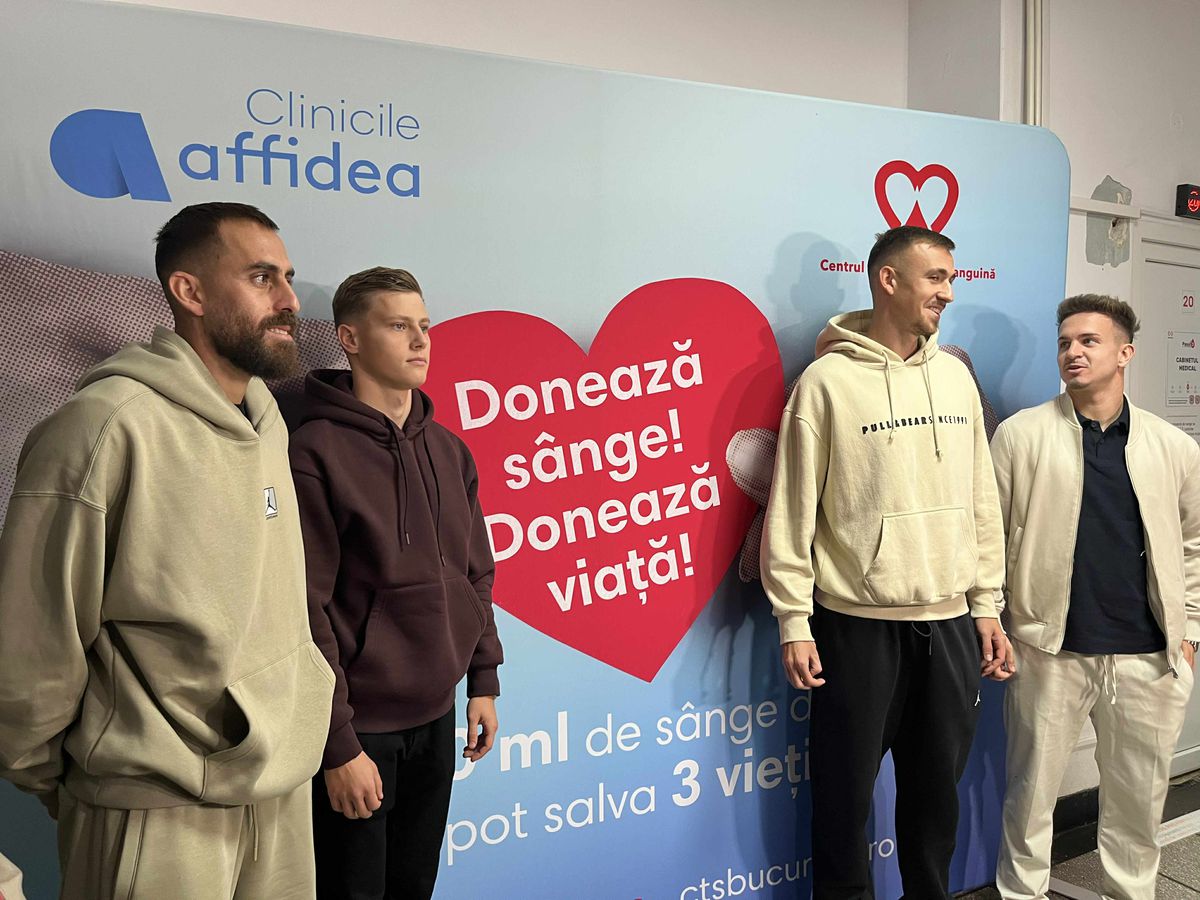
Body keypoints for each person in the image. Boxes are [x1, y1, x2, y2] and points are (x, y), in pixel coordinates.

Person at [0, 202, 334, 898]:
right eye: (262, 277)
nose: (290, 301)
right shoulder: (104, 426)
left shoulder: (269, 423)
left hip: (280, 790)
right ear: (190, 292)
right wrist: (74, 779)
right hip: (154, 807)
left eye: (288, 278)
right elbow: (35, 639)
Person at [761, 225, 1012, 899]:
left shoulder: (955, 378)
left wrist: (986, 605)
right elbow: (792, 510)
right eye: (936, 278)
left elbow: (980, 499)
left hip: (950, 626)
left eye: (950, 278)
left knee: (935, 805)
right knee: (843, 805)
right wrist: (793, 620)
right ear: (888, 280)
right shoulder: (826, 383)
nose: (948, 292)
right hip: (855, 627)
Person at [289, 267, 503, 899]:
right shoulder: (314, 452)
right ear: (350, 339)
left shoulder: (450, 451)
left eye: (425, 326)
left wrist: (483, 680)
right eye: (398, 326)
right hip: (358, 729)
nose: (420, 341)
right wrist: (337, 745)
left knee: (414, 887)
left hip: (437, 716)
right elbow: (303, 609)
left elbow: (476, 571)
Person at [993, 295, 1199, 900]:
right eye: (1065, 342)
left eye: (1089, 341)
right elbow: (989, 538)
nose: (1073, 352)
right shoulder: (1021, 436)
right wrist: (998, 621)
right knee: (1029, 797)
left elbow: (1194, 543)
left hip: (1148, 657)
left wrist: (1189, 631)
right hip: (1048, 651)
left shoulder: (1172, 446)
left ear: (1125, 352)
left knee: (1138, 803)